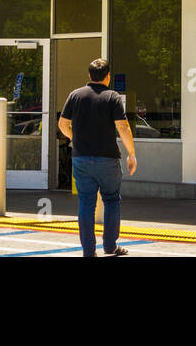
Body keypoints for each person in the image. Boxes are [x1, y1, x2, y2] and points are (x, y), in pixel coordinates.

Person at [57, 58, 137, 257]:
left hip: (81, 159)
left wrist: (75, 137)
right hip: (107, 159)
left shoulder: (75, 95)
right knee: (111, 200)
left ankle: (89, 251)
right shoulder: (112, 97)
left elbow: (62, 125)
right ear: (108, 76)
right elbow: (123, 127)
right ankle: (110, 246)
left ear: (89, 76)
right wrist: (131, 153)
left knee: (86, 203)